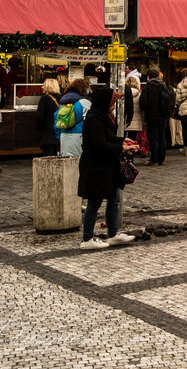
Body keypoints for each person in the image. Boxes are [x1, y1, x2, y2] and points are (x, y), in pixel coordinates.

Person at [78, 86, 139, 249]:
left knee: (114, 197)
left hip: (107, 165)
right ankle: (87, 239)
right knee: (94, 201)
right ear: (105, 101)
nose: (114, 104)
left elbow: (109, 138)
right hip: (95, 166)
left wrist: (123, 141)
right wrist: (122, 148)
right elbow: (100, 144)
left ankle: (112, 234)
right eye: (112, 101)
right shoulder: (94, 119)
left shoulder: (104, 116)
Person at [139, 69, 173, 166]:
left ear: (149, 77)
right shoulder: (165, 86)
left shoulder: (147, 88)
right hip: (164, 117)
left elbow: (143, 103)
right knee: (161, 137)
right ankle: (161, 159)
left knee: (153, 138)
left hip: (152, 116)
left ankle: (154, 159)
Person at [56, 78, 91, 158]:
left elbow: (56, 121)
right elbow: (90, 123)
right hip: (80, 138)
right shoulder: (85, 103)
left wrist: (59, 136)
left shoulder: (62, 102)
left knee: (67, 164)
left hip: (64, 137)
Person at [35, 78, 61, 156]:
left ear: (49, 86)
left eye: (44, 85)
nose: (42, 87)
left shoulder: (45, 98)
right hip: (60, 133)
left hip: (48, 134)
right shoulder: (62, 98)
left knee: (48, 158)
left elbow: (39, 116)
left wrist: (40, 130)